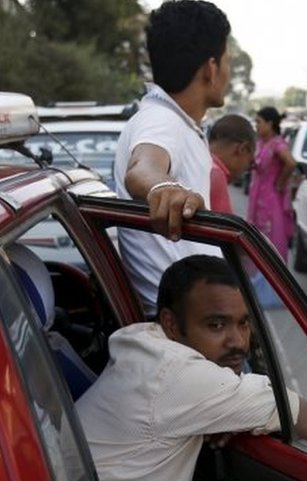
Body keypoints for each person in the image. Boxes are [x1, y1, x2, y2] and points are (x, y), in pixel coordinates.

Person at [75, 255, 307, 481]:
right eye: (216, 325)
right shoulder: (179, 375)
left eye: (244, 323)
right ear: (170, 322)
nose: (238, 341)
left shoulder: (143, 342)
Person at [113, 0, 231, 316]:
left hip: (197, 322)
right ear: (211, 68)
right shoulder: (160, 120)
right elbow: (143, 169)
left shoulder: (175, 121)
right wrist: (163, 188)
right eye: (227, 61)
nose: (228, 73)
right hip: (184, 332)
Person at [247, 106, 297, 261]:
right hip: (257, 195)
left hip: (270, 199)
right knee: (255, 240)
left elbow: (291, 163)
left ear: (270, 123)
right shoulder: (261, 143)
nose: (256, 126)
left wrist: (280, 183)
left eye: (259, 122)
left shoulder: (277, 144)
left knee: (270, 241)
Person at [207, 114, 257, 214]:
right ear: (242, 149)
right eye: (250, 162)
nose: (247, 169)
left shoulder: (197, 161)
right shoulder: (216, 175)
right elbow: (222, 228)